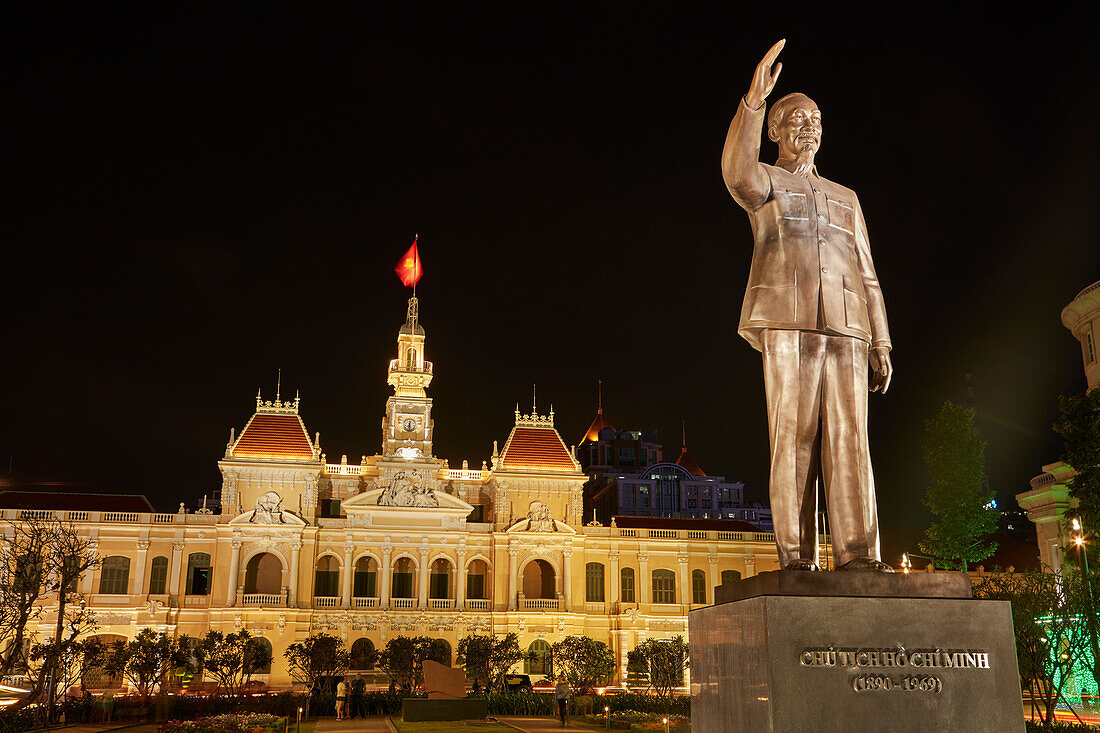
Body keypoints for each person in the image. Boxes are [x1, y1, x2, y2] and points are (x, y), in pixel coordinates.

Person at [721, 39, 893, 572]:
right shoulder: (766, 182)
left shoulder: (847, 197)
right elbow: (736, 173)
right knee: (792, 439)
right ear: (775, 131)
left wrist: (881, 339)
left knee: (850, 440)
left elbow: (868, 272)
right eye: (796, 118)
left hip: (848, 327)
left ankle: (860, 555)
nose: (809, 127)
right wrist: (753, 102)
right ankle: (796, 557)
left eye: (816, 119)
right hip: (786, 320)